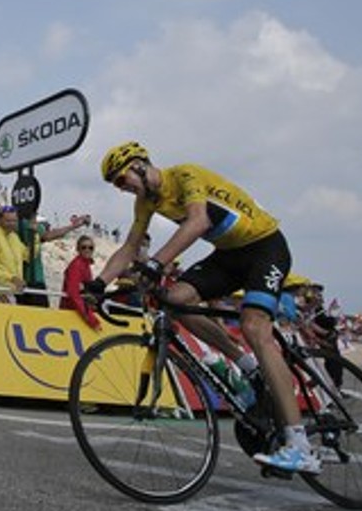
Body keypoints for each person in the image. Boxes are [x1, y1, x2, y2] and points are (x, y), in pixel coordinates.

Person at [88, 141, 318, 474]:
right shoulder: (145, 202)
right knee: (174, 300)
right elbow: (128, 246)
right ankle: (248, 365)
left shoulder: (184, 175)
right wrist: (100, 283)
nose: (122, 189)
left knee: (255, 327)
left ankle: (300, 446)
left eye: (122, 180)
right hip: (228, 256)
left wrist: (156, 263)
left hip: (264, 247)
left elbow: (198, 222)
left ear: (138, 165)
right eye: (116, 186)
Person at [16, 212, 91, 308]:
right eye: (84, 247)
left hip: (33, 279)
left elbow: (49, 235)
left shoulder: (32, 226)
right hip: (25, 280)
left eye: (90, 248)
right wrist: (73, 226)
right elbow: (48, 235)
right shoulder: (21, 224)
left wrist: (73, 226)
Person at [59, 235, 102, 330]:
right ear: (78, 249)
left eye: (90, 247)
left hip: (79, 311)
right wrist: (92, 320)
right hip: (72, 313)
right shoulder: (76, 265)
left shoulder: (86, 265)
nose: (87, 250)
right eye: (84, 247)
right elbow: (74, 295)